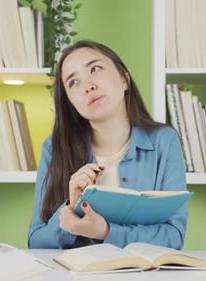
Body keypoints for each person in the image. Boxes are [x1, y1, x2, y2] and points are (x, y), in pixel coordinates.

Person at [27, 40, 188, 250]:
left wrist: (104, 231)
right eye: (73, 82)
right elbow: (35, 241)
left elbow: (173, 236)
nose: (88, 86)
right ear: (70, 103)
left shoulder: (164, 140)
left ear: (124, 79)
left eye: (95, 69)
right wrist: (72, 208)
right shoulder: (53, 148)